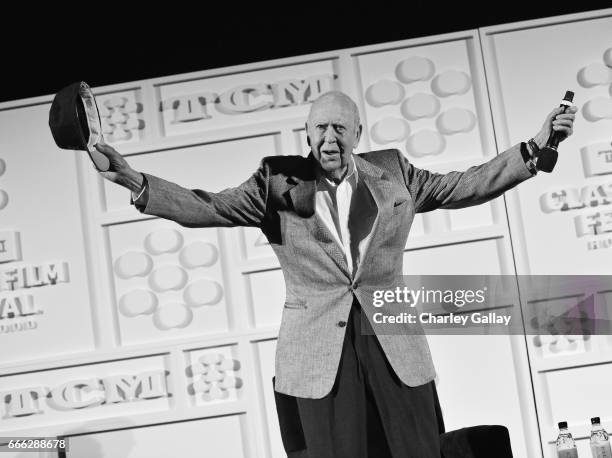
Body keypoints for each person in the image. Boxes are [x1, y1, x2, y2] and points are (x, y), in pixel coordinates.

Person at [95, 91, 576, 457]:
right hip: (319, 348)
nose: (331, 138)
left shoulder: (393, 172)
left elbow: (464, 186)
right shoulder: (276, 181)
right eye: (321, 127)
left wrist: (535, 148)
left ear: (358, 133)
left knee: (416, 448)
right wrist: (134, 181)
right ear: (306, 133)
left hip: (391, 337)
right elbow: (209, 207)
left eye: (341, 128)